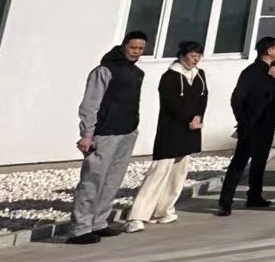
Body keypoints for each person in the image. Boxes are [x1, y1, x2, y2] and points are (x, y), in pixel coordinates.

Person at [66, 31, 148, 244]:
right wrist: (87, 134)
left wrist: (134, 129)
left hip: (127, 132)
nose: (136, 52)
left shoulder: (136, 73)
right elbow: (90, 104)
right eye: (132, 48)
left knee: (112, 181)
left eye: (140, 49)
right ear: (124, 46)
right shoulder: (104, 71)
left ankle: (99, 222)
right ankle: (80, 229)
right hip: (104, 134)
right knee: (92, 180)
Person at [126, 41, 207, 232]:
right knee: (159, 172)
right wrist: (188, 118)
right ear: (182, 56)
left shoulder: (199, 75)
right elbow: (171, 104)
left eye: (199, 56)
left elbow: (203, 98)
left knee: (178, 173)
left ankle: (163, 210)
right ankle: (136, 216)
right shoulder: (170, 76)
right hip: (172, 130)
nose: (196, 59)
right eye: (192, 55)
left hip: (191, 130)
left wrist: (198, 117)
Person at [217, 36, 275, 215]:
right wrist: (243, 120)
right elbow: (237, 98)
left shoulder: (274, 70)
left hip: (268, 123)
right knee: (239, 162)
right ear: (269, 50)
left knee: (260, 162)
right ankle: (225, 201)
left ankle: (255, 196)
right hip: (251, 125)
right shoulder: (251, 72)